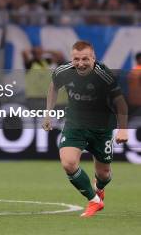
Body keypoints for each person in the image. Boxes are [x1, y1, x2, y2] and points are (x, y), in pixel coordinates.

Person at [42, 41, 128, 218]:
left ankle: (100, 188)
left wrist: (123, 129)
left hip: (101, 128)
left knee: (103, 174)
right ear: (71, 58)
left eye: (85, 59)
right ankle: (94, 200)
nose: (80, 63)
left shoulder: (104, 75)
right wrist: (48, 114)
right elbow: (53, 87)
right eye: (76, 59)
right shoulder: (63, 72)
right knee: (68, 163)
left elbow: (120, 102)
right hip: (75, 124)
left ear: (93, 58)